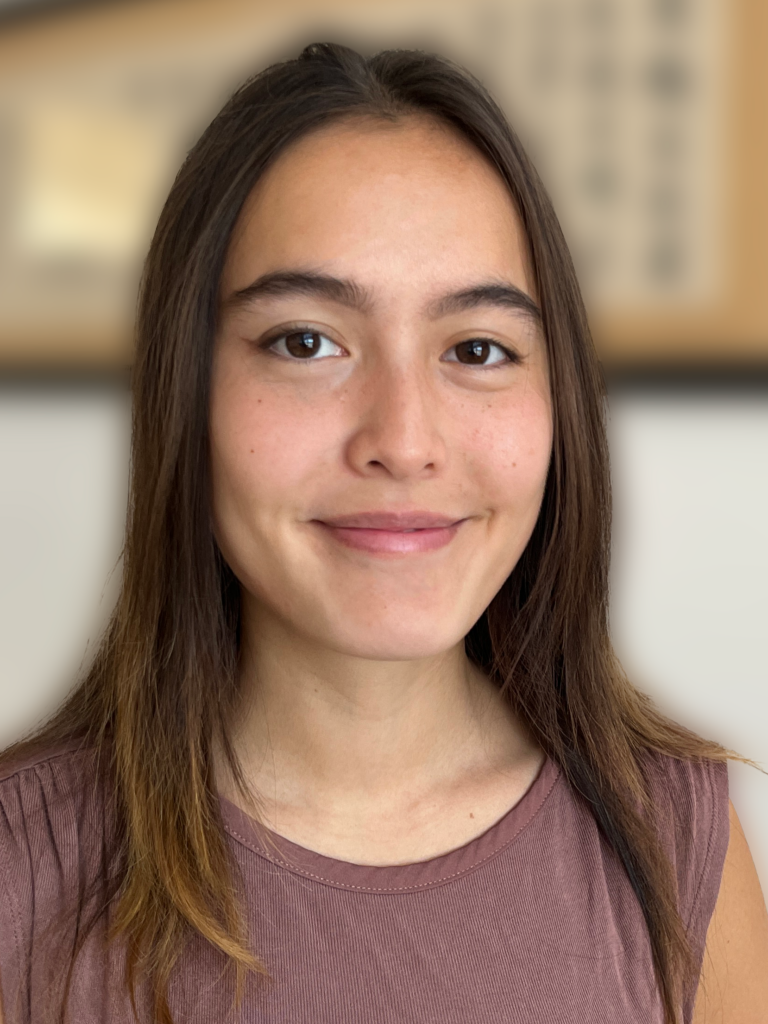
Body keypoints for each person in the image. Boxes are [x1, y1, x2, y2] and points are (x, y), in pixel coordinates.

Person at [0, 40, 766, 1024]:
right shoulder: (22, 867)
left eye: (479, 348)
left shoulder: (675, 846)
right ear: (184, 394)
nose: (404, 440)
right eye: (306, 341)